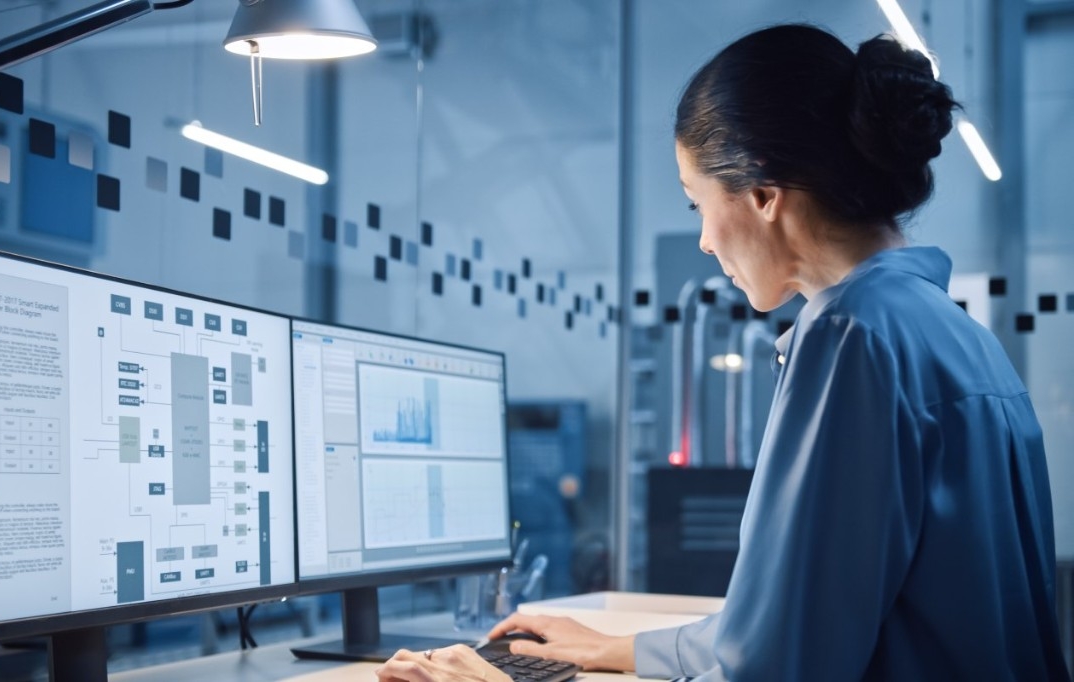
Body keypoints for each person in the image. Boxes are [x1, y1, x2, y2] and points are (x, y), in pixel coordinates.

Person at [375, 23, 1067, 682]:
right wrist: (618, 647)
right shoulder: (958, 336)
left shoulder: (853, 338)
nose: (705, 241)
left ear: (764, 193)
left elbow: (778, 671)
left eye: (695, 203)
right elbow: (795, 625)